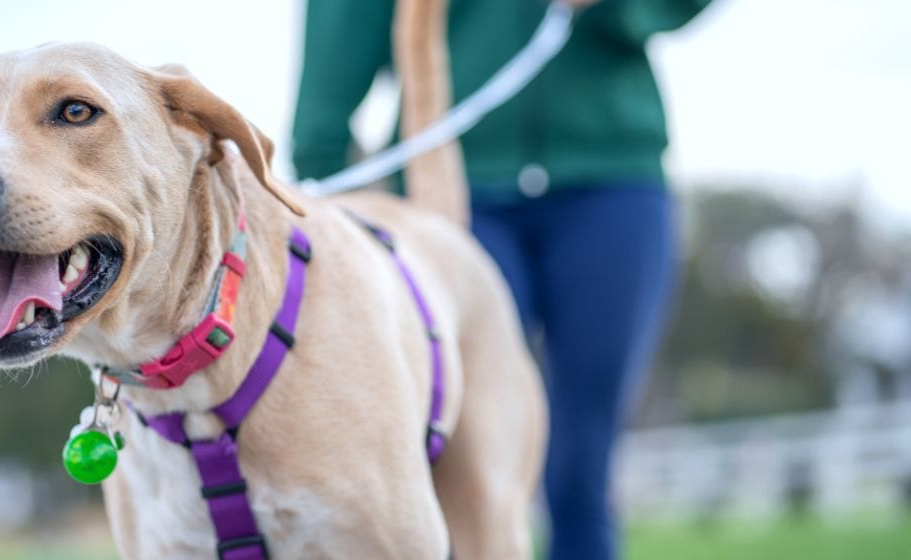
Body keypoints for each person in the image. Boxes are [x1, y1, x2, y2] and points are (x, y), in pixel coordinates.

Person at [291, 0, 712, 558]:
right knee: (449, 454)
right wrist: (324, 174)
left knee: (582, 466)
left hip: (611, 180)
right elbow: (344, 20)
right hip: (450, 184)